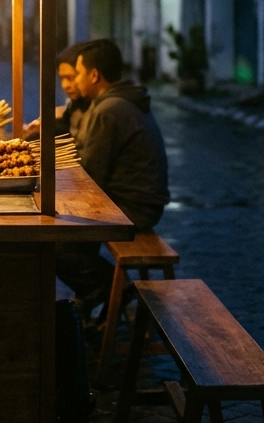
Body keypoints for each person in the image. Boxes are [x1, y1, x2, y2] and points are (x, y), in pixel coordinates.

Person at [56, 38, 169, 319]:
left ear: (94, 75)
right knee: (66, 227)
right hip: (137, 201)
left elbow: (90, 175)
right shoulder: (116, 102)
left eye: (78, 73)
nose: (75, 81)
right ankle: (92, 294)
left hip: (133, 208)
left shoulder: (110, 109)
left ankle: (107, 288)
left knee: (52, 240)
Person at [23, 42, 91, 140]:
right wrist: (41, 128)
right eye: (62, 78)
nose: (65, 85)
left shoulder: (98, 110)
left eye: (70, 78)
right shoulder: (76, 105)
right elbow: (65, 126)